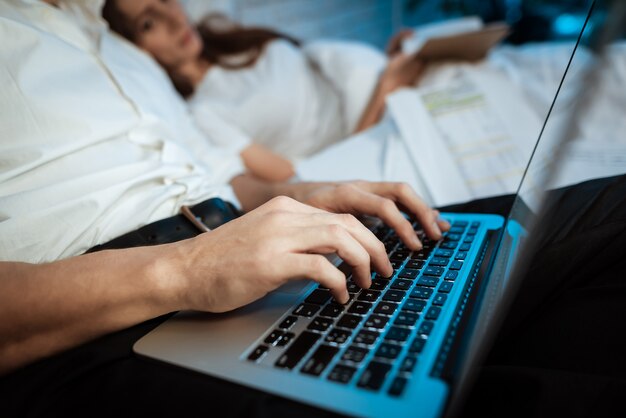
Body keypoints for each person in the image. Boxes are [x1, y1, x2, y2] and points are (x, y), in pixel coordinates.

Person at [1, 2, 625, 418]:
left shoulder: (116, 44)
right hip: (101, 320)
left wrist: (297, 195)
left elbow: (217, 172)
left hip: (238, 247)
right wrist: (187, 268)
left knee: (595, 225)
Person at [101, 0, 424, 180]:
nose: (172, 19)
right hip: (373, 134)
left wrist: (384, 62)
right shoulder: (204, 113)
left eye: (164, 0)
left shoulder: (232, 43)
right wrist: (386, 87)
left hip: (383, 86)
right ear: (137, 50)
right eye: (149, 23)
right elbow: (296, 178)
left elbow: (315, 72)